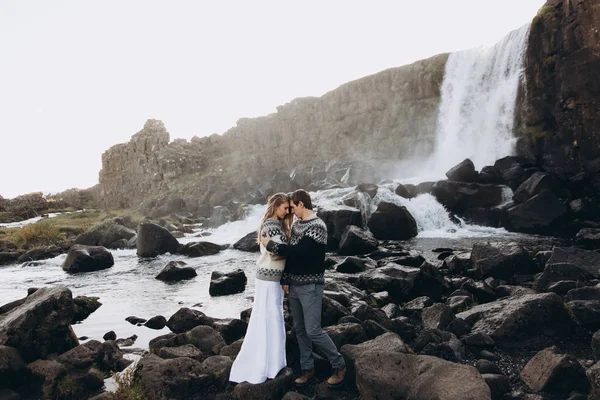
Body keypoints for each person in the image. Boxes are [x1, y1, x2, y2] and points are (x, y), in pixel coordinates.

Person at [261, 189, 346, 388]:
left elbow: (301, 253)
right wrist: (285, 279)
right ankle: (307, 369)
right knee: (300, 330)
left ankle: (339, 365)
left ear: (300, 204)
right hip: (295, 287)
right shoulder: (298, 225)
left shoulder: (318, 226)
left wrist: (272, 245)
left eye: (292, 207)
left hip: (311, 286)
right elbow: (291, 258)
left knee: (313, 330)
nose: (290, 211)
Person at [229, 192, 293, 384]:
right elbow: (276, 255)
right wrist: (292, 253)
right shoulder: (271, 226)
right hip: (269, 278)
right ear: (275, 207)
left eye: (289, 209)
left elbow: (278, 250)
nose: (287, 211)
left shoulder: (274, 226)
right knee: (269, 316)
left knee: (269, 316)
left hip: (269, 277)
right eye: (285, 208)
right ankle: (268, 364)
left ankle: (271, 363)